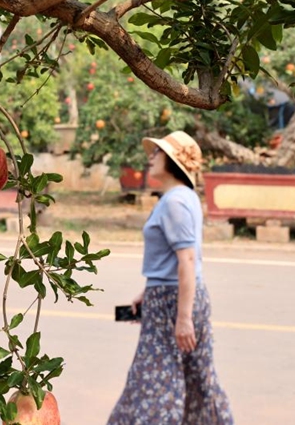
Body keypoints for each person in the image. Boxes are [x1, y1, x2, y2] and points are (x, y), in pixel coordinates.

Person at [108, 131, 234, 425]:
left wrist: (184, 317)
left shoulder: (175, 202)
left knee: (153, 382)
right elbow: (171, 259)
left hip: (174, 301)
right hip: (168, 296)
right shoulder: (180, 198)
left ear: (174, 161)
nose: (150, 157)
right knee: (197, 378)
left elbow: (187, 260)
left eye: (157, 153)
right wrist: (148, 290)